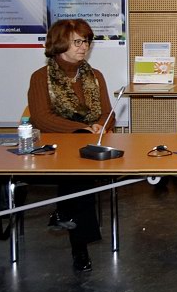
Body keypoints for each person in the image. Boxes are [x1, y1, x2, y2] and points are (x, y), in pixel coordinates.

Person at [28, 19, 115, 271]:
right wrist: (80, 129)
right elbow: (41, 118)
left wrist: (99, 126)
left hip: (90, 145)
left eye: (86, 41)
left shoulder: (95, 76)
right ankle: (80, 247)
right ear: (60, 43)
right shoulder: (41, 77)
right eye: (77, 41)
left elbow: (108, 114)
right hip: (52, 149)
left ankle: (63, 214)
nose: (84, 46)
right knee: (78, 175)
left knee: (79, 172)